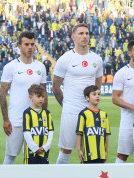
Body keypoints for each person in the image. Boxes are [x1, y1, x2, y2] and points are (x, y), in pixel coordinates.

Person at [52, 24, 103, 164]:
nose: (84, 36)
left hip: (90, 112)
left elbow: (97, 85)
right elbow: (55, 88)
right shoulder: (65, 59)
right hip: (71, 111)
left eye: (87, 33)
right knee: (66, 149)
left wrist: (92, 104)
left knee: (91, 149)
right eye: (81, 33)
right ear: (73, 37)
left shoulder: (97, 60)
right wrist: (67, 105)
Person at [0, 32, 47, 165]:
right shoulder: (11, 67)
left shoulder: (40, 67)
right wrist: (5, 119)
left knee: (36, 157)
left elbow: (44, 93)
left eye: (32, 44)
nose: (30, 47)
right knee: (11, 156)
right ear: (19, 46)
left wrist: (45, 118)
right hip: (16, 120)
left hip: (36, 121)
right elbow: (2, 94)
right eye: (26, 44)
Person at [76, 85, 110, 164]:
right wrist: (79, 149)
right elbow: (79, 133)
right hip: (88, 155)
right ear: (87, 98)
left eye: (99, 94)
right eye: (94, 94)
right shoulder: (83, 113)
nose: (97, 96)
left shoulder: (104, 114)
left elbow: (106, 134)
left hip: (101, 154)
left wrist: (106, 151)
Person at [22, 84, 54, 164]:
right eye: (38, 96)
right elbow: (26, 132)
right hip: (31, 152)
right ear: (31, 98)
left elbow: (50, 131)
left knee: (44, 174)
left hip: (44, 151)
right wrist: (34, 148)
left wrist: (46, 146)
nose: (41, 99)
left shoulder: (47, 113)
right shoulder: (27, 113)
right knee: (29, 174)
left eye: (43, 97)